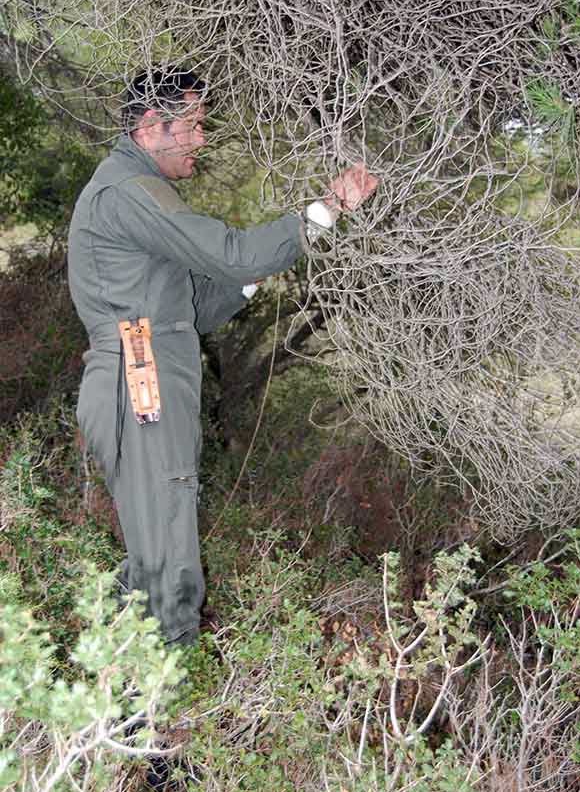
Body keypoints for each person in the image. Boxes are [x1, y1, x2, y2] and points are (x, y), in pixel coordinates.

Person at [68, 67, 377, 646]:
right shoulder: (129, 192)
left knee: (154, 542)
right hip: (141, 376)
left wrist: (253, 275)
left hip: (144, 371)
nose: (200, 140)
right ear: (149, 127)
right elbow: (230, 254)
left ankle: (119, 692)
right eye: (193, 126)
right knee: (165, 544)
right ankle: (161, 700)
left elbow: (192, 310)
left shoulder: (132, 191)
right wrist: (328, 208)